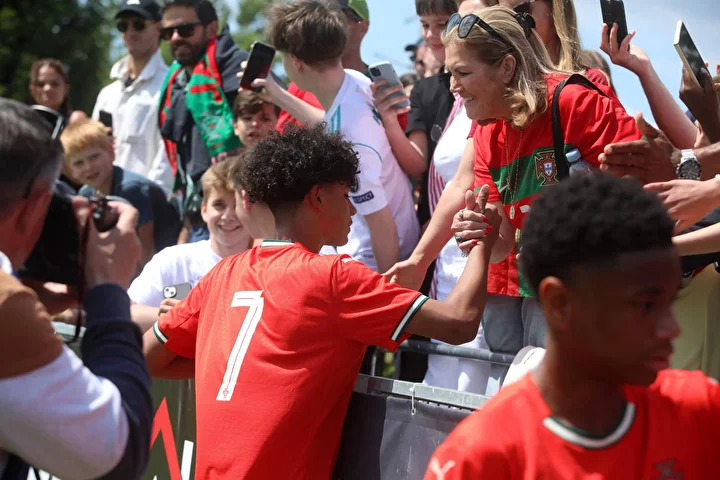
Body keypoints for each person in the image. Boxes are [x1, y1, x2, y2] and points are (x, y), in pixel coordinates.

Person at [143, 123, 500, 479]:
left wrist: (230, 367)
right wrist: (482, 241)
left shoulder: (222, 273)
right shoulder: (334, 277)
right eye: (345, 196)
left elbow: (147, 358)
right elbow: (459, 322)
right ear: (317, 197)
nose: (353, 210)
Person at [424, 173, 720, 479]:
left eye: (669, 302)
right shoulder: (477, 460)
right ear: (559, 303)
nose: (671, 328)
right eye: (646, 305)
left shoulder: (699, 410)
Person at [387, 5, 637, 364]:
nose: (453, 87)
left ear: (506, 67)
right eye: (450, 73)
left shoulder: (574, 101)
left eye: (463, 73)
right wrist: (481, 233)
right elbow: (502, 245)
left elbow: (648, 192)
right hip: (545, 290)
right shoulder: (487, 131)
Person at [0, 99, 151, 479]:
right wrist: (107, 291)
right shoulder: (5, 308)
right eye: (53, 204)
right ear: (34, 206)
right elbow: (117, 453)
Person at [264, 0, 419, 274]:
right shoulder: (354, 81)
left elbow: (382, 226)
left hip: (373, 264)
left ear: (296, 62)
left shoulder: (352, 143)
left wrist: (389, 292)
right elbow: (333, 122)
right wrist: (277, 95)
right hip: (379, 248)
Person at [128, 159, 269, 333]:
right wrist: (175, 317)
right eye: (219, 205)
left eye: (236, 206)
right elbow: (130, 313)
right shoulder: (174, 260)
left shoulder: (267, 266)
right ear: (203, 210)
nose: (228, 216)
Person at [158, 0, 248, 243]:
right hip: (200, 216)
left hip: (241, 217)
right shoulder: (176, 81)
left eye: (185, 29)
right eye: (168, 32)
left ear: (211, 28)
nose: (175, 38)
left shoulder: (240, 68)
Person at [61, 119, 180, 267]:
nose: (88, 167)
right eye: (79, 163)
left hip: (168, 259)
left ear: (111, 153)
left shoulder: (131, 189)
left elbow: (147, 250)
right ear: (70, 170)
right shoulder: (86, 194)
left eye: (94, 157)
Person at [93, 0, 173, 192]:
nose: (130, 32)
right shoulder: (107, 94)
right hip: (107, 200)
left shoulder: (171, 85)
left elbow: (168, 155)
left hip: (150, 200)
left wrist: (147, 197)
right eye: (123, 26)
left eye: (138, 24)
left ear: (158, 27)